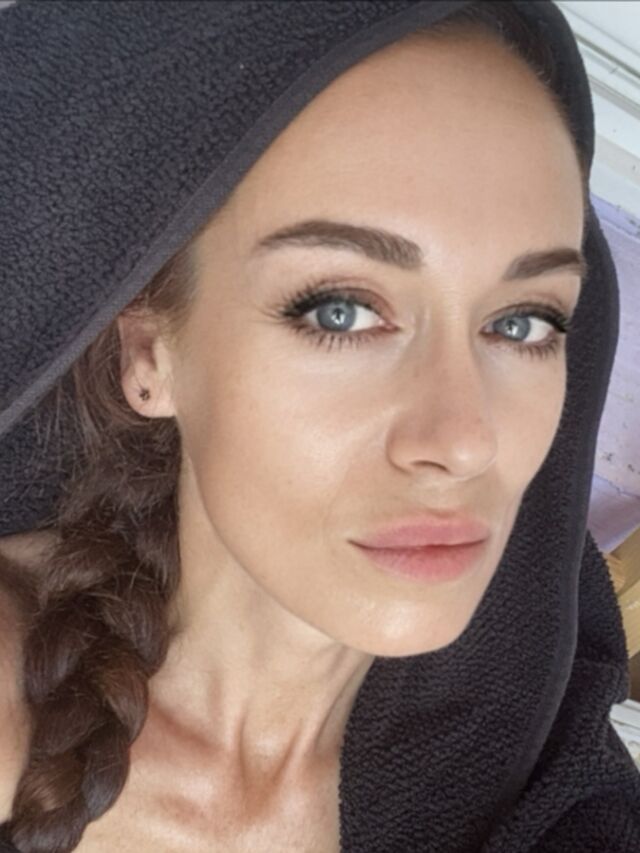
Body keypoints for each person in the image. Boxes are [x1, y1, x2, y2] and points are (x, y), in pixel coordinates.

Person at [0, 1, 638, 851]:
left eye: (522, 322)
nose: (464, 440)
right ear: (149, 354)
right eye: (340, 311)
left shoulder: (539, 741)